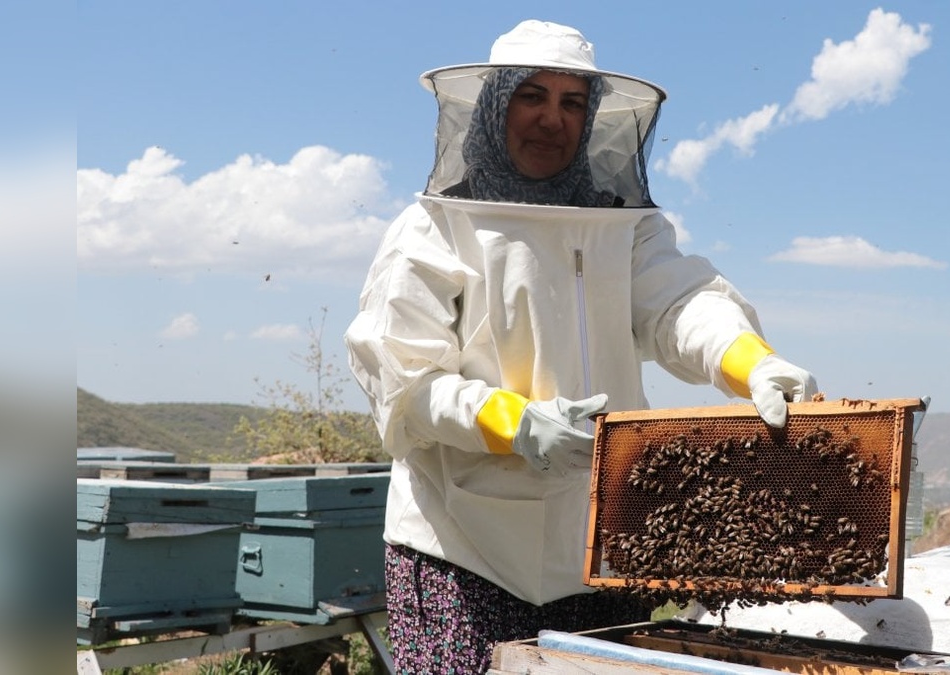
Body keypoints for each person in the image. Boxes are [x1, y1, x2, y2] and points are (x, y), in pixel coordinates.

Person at [345, 19, 817, 674]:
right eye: (531, 96)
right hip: (463, 550)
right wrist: (513, 423)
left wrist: (750, 362)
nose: (551, 119)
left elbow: (681, 303)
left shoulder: (621, 225)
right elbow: (404, 382)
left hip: (598, 552)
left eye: (572, 103)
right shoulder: (434, 227)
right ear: (492, 106)